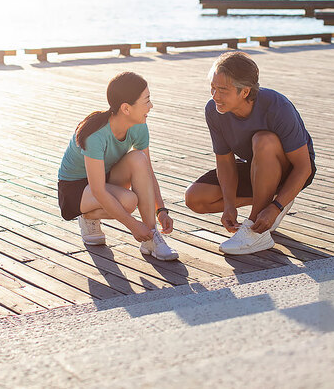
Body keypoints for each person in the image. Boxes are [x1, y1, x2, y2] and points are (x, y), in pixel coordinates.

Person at [184, 51, 316, 255]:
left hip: (293, 169)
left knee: (263, 140)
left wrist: (276, 208)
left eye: (222, 90)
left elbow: (304, 166)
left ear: (245, 92)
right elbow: (225, 162)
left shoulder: (277, 106)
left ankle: (256, 230)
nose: (215, 96)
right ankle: (271, 199)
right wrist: (229, 205)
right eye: (212, 88)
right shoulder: (214, 110)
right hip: (256, 165)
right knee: (195, 198)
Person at [57, 71, 179, 261]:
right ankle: (87, 217)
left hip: (103, 177)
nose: (151, 105)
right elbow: (98, 190)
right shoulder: (95, 135)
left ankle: (151, 239)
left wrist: (161, 210)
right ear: (126, 108)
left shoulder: (139, 125)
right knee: (128, 201)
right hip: (75, 188)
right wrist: (133, 226)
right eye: (146, 101)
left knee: (139, 159)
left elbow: (148, 173)